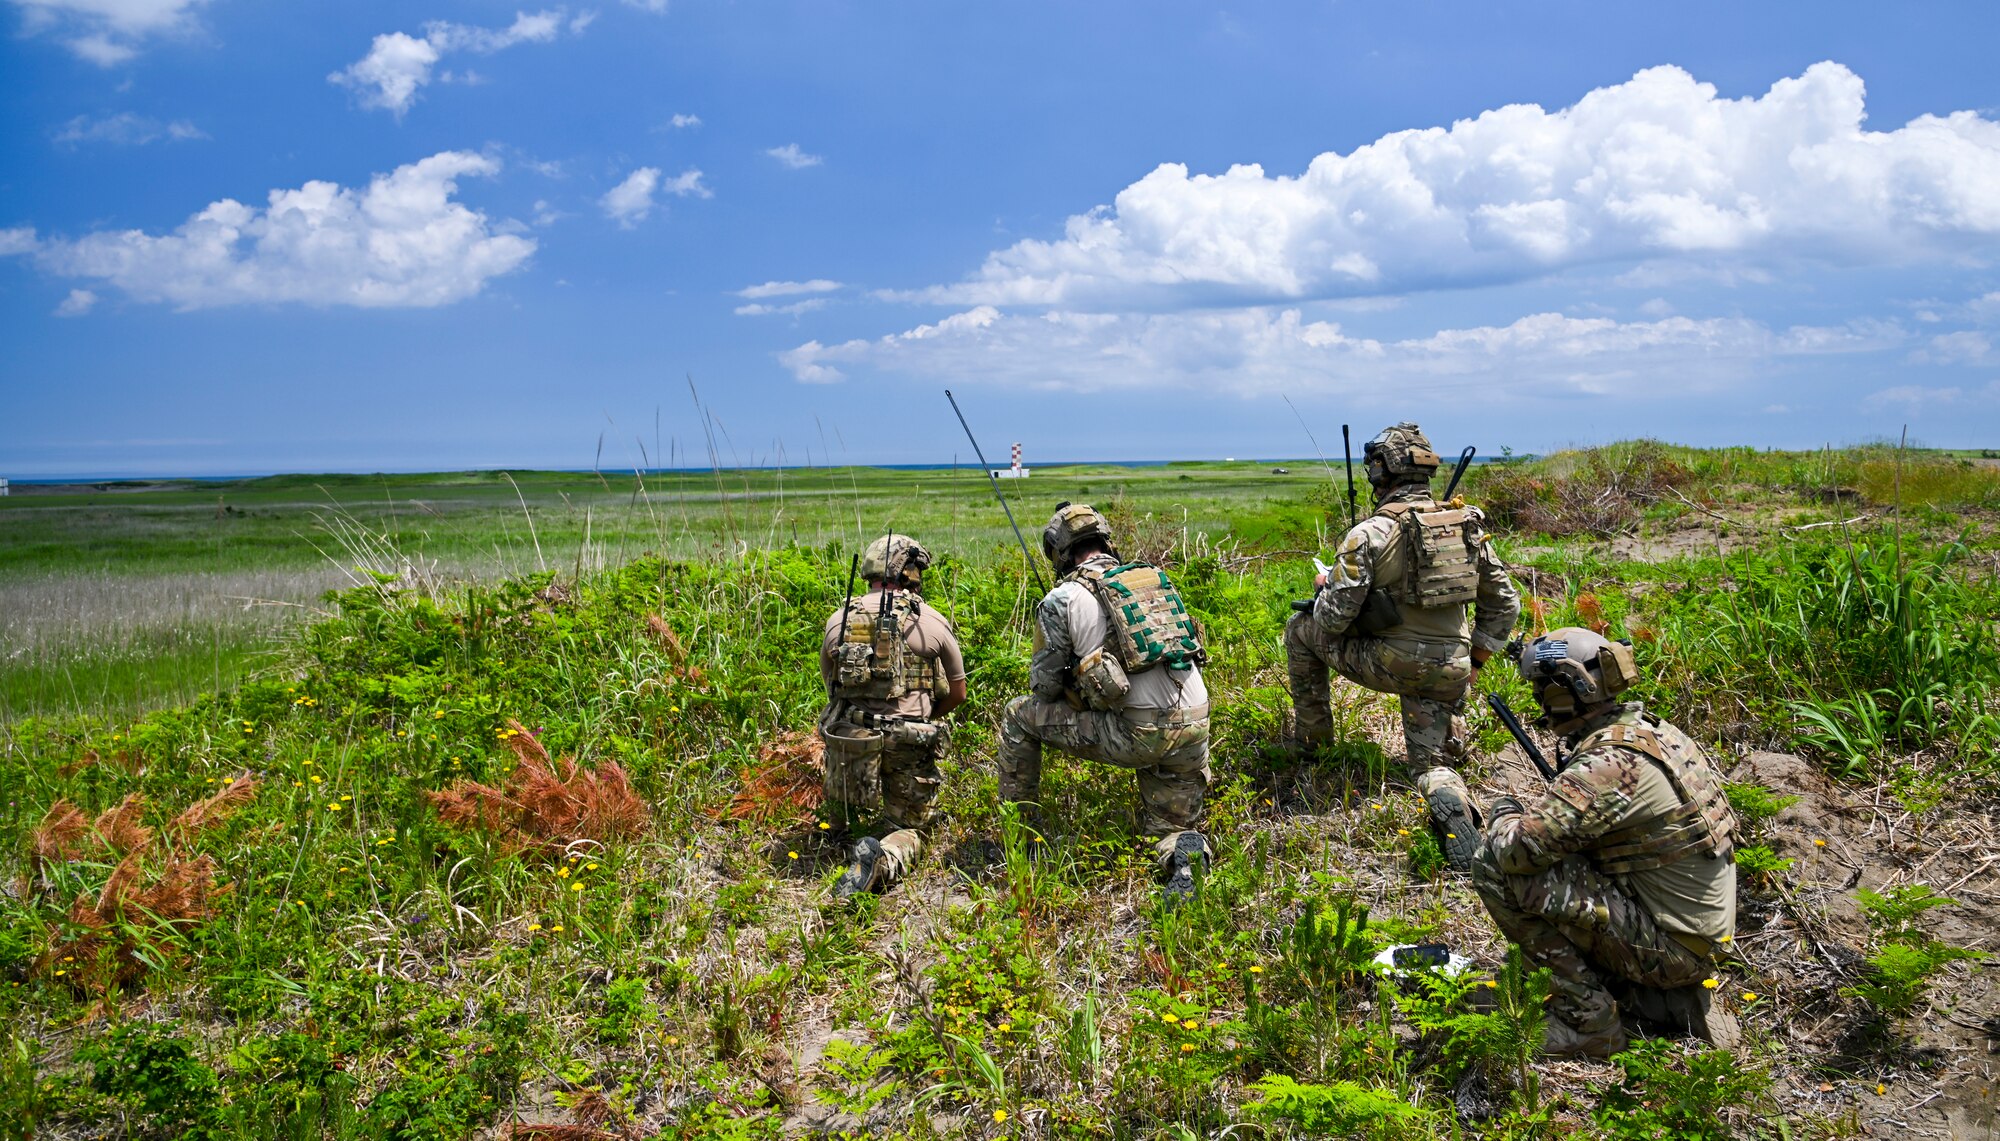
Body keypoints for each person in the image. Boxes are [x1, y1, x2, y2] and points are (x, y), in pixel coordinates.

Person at [1453, 627, 1741, 1057]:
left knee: (1493, 866)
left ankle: (1589, 1023)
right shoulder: (1655, 733)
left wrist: (1504, 811)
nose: (1537, 699)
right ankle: (1654, 998)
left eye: (1539, 688)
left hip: (1673, 950)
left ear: (1564, 692)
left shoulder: (1609, 762)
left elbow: (1518, 851)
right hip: (1697, 941)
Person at [1283, 421, 1519, 869]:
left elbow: (1332, 620)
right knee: (1430, 764)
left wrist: (1326, 584)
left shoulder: (1368, 534)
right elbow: (1505, 602)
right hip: (1452, 666)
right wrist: (1477, 661)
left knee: (1300, 628)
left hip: (1391, 661)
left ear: (1380, 475)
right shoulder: (1466, 524)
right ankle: (1450, 799)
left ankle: (1313, 745)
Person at [998, 503, 1213, 895]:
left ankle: (1020, 833)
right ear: (1105, 540)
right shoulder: (1154, 577)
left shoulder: (1062, 598)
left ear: (1059, 552)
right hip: (1194, 723)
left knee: (1017, 715)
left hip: (1139, 733)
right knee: (1166, 832)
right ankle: (1184, 852)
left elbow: (1043, 688)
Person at [818, 533, 967, 899]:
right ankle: (884, 859)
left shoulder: (840, 619)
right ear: (912, 572)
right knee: (912, 830)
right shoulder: (930, 620)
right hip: (907, 743)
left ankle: (838, 821)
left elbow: (830, 686)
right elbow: (959, 692)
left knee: (842, 790)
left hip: (852, 743)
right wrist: (926, 715)